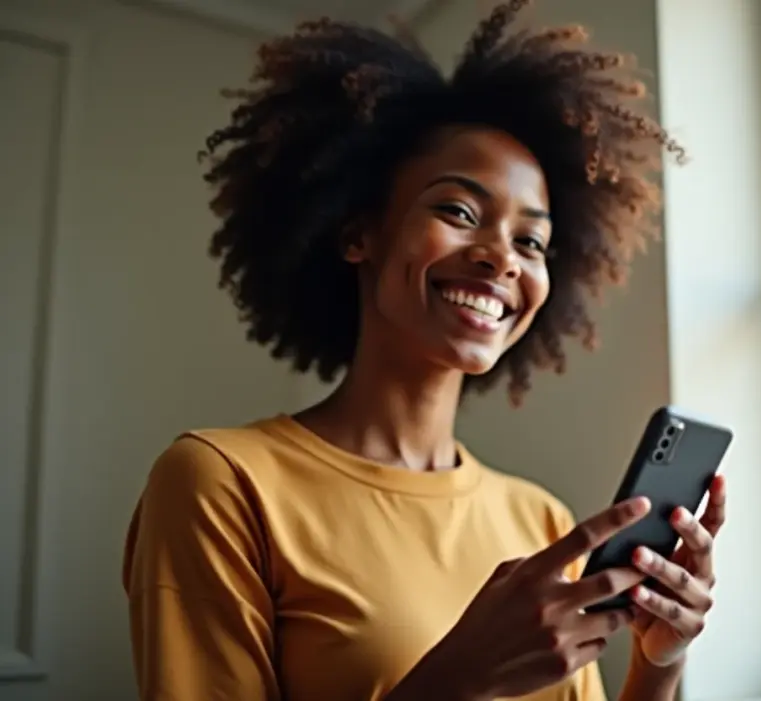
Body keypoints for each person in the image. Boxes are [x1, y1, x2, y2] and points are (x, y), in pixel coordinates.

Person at [121, 1, 727, 699]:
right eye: (459, 212)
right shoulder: (219, 482)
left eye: (531, 240)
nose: (502, 256)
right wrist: (459, 677)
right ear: (360, 235)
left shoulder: (541, 519)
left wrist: (659, 660)